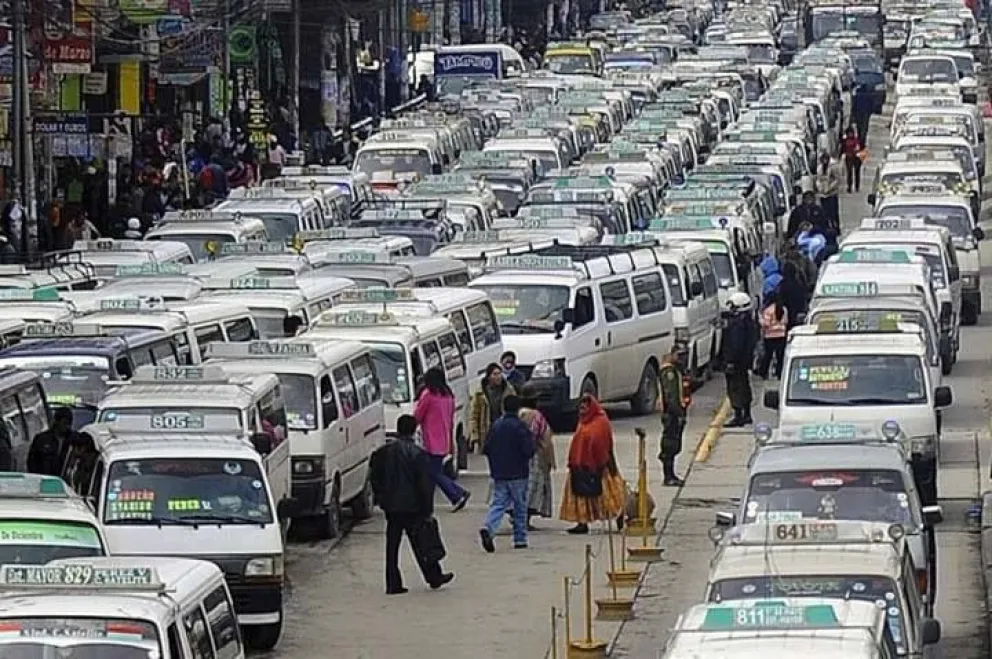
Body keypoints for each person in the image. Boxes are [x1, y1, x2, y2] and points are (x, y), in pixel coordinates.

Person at [369, 415, 454, 594]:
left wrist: (381, 497)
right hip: (412, 506)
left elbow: (374, 477)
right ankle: (433, 576)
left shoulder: (383, 453)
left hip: (391, 506)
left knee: (392, 545)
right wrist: (427, 508)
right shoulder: (417, 454)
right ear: (414, 430)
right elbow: (424, 484)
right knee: (421, 542)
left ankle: (393, 582)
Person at [559, 394, 626, 534]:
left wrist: (598, 462)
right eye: (581, 407)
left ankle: (618, 514)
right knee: (580, 495)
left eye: (585, 406)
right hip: (579, 465)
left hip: (599, 466)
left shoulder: (600, 421)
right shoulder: (583, 421)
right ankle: (582, 522)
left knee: (605, 494)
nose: (582, 409)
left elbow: (602, 443)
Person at [479, 395, 535, 551]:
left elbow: (487, 448)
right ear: (518, 409)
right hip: (519, 472)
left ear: (503, 407)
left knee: (498, 502)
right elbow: (528, 450)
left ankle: (489, 527)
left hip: (499, 472)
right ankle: (520, 539)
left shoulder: (496, 425)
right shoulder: (521, 427)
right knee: (520, 506)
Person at [414, 367, 471, 512]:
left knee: (433, 473)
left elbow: (418, 415)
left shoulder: (428, 395)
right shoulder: (448, 396)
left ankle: (456, 494)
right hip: (444, 438)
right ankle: (435, 500)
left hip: (429, 440)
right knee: (435, 472)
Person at [518, 384, 556, 526]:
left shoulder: (517, 414)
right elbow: (544, 438)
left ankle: (519, 516)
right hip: (535, 456)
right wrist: (549, 459)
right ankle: (524, 519)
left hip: (519, 457)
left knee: (521, 488)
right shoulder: (537, 416)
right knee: (534, 489)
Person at [722, 292, 759, 428]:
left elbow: (735, 344)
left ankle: (739, 415)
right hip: (744, 362)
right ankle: (747, 414)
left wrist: (730, 361)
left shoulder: (738, 325)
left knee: (735, 388)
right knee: (744, 386)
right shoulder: (749, 322)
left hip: (736, 363)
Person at [658, 346, 690, 487]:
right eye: (679, 355)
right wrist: (678, 413)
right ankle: (668, 476)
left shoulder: (677, 371)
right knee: (670, 444)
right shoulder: (669, 372)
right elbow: (671, 396)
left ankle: (671, 474)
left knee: (675, 444)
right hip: (672, 414)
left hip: (677, 412)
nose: (682, 358)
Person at [469, 363, 516, 453]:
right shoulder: (480, 393)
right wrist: (475, 436)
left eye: (499, 373)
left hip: (505, 430)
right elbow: (474, 415)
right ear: (489, 376)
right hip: (488, 432)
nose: (498, 377)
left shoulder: (509, 390)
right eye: (495, 374)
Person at [28, 407, 74, 476]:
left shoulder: (73, 439)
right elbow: (31, 463)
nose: (67, 427)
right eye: (64, 423)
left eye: (69, 424)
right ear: (57, 421)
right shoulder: (42, 439)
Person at [756, 290, 788, 379]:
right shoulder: (783, 309)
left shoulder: (768, 310)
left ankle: (763, 373)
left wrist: (759, 319)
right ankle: (780, 374)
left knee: (768, 356)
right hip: (781, 336)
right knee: (780, 357)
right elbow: (785, 322)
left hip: (770, 336)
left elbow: (766, 324)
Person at [817, 151, 841, 239]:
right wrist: (819, 187)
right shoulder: (820, 168)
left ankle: (835, 228)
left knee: (833, 213)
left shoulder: (833, 167)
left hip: (831, 194)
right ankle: (826, 227)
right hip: (822, 194)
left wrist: (830, 188)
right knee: (824, 212)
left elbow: (837, 179)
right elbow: (818, 179)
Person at [852, 84, 874, 148]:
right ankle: (862, 140)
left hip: (859, 111)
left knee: (859, 126)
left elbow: (854, 103)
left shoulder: (858, 93)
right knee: (864, 127)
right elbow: (871, 104)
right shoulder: (868, 94)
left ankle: (860, 140)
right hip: (865, 112)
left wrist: (854, 112)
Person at [842, 126, 863, 193]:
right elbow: (843, 149)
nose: (850, 134)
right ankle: (849, 186)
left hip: (856, 158)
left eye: (851, 133)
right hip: (848, 157)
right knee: (849, 172)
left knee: (857, 172)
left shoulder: (856, 140)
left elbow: (860, 148)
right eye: (849, 133)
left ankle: (857, 186)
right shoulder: (845, 140)